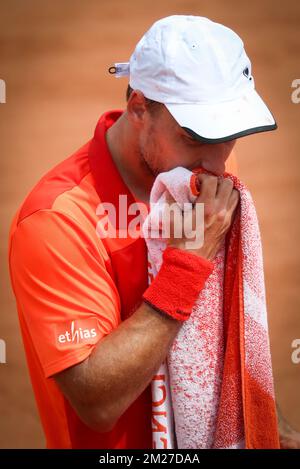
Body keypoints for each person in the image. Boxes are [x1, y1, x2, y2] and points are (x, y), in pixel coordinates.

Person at [8, 15, 299, 449]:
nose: (218, 166)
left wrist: (272, 428)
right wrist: (189, 265)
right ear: (140, 106)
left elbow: (225, 331)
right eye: (193, 136)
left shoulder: (201, 173)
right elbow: (98, 402)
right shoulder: (57, 221)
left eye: (229, 137)